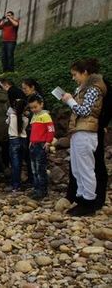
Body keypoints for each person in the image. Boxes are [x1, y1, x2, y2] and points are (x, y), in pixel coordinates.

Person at [61, 59, 107, 216]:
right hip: (79, 131)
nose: (73, 78)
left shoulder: (94, 89)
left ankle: (88, 202)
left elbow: (85, 110)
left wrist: (70, 101)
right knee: (77, 168)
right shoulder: (84, 88)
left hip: (86, 133)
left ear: (85, 72)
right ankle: (81, 199)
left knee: (86, 168)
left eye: (75, 74)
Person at [28, 95, 55, 200]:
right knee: (34, 168)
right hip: (33, 144)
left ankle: (42, 190)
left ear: (41, 104)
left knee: (40, 169)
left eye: (35, 107)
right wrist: (31, 140)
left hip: (41, 145)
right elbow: (33, 131)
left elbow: (51, 130)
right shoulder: (34, 116)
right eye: (31, 108)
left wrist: (48, 141)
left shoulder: (45, 116)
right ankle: (36, 189)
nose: (33, 109)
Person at [6, 98, 29, 192]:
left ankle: (16, 185)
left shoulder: (11, 116)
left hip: (13, 140)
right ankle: (24, 182)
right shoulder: (26, 119)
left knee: (15, 164)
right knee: (21, 162)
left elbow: (6, 122)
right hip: (23, 140)